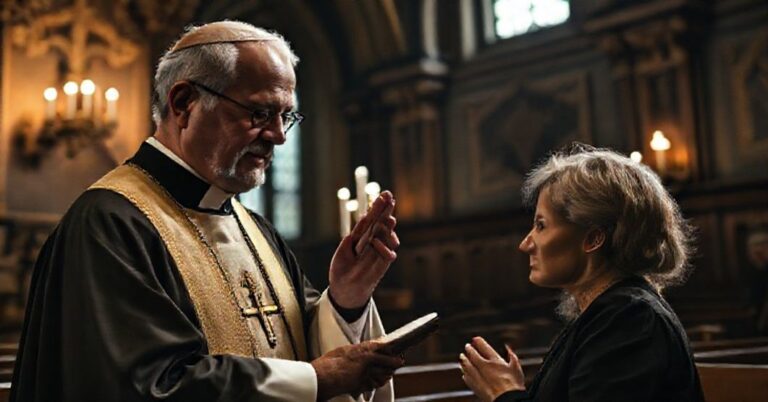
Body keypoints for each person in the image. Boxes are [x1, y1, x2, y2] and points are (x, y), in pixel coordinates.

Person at [11, 21, 404, 402]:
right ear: (184, 103)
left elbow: (298, 342)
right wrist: (316, 380)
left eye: (286, 116)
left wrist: (345, 297)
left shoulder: (254, 228)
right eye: (260, 113)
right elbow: (143, 384)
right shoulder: (109, 224)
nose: (279, 136)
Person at [459, 144, 705, 402]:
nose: (525, 244)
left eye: (541, 226)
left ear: (593, 239)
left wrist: (505, 394)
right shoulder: (609, 313)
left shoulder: (630, 319)